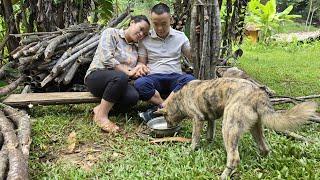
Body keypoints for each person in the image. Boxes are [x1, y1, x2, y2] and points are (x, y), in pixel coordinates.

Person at [85, 15, 150, 132]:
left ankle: (99, 109)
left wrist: (138, 70)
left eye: (144, 34)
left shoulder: (137, 47)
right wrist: (129, 72)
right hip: (97, 77)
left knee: (133, 97)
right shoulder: (111, 33)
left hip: (119, 83)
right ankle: (101, 117)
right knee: (120, 76)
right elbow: (106, 59)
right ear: (132, 23)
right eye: (140, 29)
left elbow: (138, 66)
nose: (141, 34)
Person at [134, 3, 196, 121]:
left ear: (171, 20)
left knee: (190, 80)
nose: (160, 28)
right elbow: (141, 63)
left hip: (175, 78)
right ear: (151, 21)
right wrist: (141, 67)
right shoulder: (145, 39)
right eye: (156, 24)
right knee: (139, 83)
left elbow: (192, 57)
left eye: (164, 24)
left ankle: (161, 108)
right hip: (153, 78)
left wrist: (197, 38)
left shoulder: (180, 36)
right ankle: (168, 107)